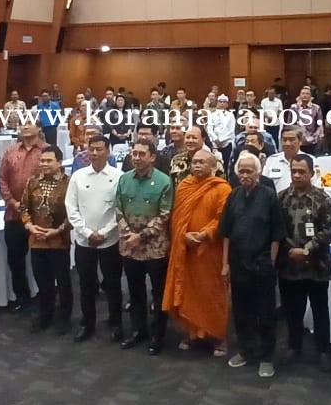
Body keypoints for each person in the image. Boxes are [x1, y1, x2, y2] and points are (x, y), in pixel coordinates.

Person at [220, 152, 285, 378]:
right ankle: (246, 351)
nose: (245, 175)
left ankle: (266, 357)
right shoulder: (233, 195)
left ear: (258, 173)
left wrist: (271, 263)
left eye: (250, 171)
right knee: (241, 312)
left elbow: (277, 234)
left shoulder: (268, 196)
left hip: (262, 265)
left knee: (265, 313)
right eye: (242, 171)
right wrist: (225, 264)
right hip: (238, 265)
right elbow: (226, 232)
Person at [164, 147, 232, 357]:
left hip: (209, 251)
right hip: (187, 251)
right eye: (194, 162)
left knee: (212, 293)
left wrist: (203, 235)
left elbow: (223, 219)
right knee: (188, 291)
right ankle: (192, 332)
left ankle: (218, 337)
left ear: (213, 166)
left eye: (202, 162)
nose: (197, 165)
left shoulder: (222, 189)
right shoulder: (185, 186)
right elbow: (176, 218)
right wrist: (183, 236)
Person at [278, 153, 331, 371]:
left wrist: (307, 249)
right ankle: (294, 346)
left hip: (316, 266)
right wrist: (291, 249)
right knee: (293, 309)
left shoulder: (322, 199)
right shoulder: (282, 198)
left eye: (302, 171)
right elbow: (277, 229)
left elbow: (327, 230)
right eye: (294, 171)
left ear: (312, 173)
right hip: (289, 264)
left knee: (320, 309)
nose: (297, 175)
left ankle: (323, 350)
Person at [116, 138, 174, 353]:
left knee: (158, 294)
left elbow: (164, 215)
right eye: (134, 154)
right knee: (135, 291)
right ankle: (138, 331)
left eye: (141, 154)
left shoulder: (164, 181)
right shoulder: (123, 180)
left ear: (152, 157)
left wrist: (141, 236)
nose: (137, 158)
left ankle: (157, 336)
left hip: (155, 248)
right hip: (129, 246)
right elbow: (118, 209)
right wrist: (129, 234)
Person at [66, 135, 123, 342]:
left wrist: (105, 232)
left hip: (110, 240)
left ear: (108, 152)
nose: (95, 153)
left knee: (113, 284)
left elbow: (121, 209)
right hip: (84, 241)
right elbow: (71, 209)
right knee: (86, 284)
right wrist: (88, 233)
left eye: (100, 149)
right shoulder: (78, 176)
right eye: (92, 149)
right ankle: (87, 323)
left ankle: (116, 323)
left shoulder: (119, 176)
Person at [23, 146, 72, 334]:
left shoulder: (68, 183)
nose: (44, 164)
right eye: (42, 160)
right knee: (43, 281)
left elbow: (73, 213)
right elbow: (24, 208)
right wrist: (30, 226)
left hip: (59, 240)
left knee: (63, 281)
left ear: (59, 162)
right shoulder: (32, 182)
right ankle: (45, 315)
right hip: (36, 240)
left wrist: (56, 231)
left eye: (48, 160)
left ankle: (64, 317)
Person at [0, 122, 44, 312]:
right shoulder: (10, 151)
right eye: (22, 124)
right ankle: (22, 297)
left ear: (38, 129)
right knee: (15, 259)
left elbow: (51, 179)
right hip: (13, 213)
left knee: (41, 259)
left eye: (29, 123)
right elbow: (2, 180)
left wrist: (31, 206)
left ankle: (45, 295)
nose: (25, 127)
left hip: (39, 216)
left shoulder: (47, 151)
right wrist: (12, 202)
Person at [263, 127, 304, 193]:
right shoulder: (271, 161)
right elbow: (264, 186)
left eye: (291, 140)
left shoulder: (311, 161)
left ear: (300, 142)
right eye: (284, 140)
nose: (287, 143)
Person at [207, 94, 237, 171]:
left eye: (224, 102)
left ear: (227, 104)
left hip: (227, 143)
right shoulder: (212, 115)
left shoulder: (231, 115)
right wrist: (216, 139)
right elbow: (209, 129)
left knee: (227, 165)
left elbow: (231, 131)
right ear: (217, 103)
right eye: (220, 102)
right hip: (215, 144)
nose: (222, 104)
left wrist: (222, 140)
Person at [293, 86, 324, 153]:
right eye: (303, 93)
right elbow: (290, 124)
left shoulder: (316, 108)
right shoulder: (294, 107)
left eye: (307, 94)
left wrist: (317, 135)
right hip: (298, 140)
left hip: (312, 140)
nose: (305, 95)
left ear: (310, 96)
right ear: (300, 95)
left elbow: (319, 124)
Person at [259, 86, 284, 151]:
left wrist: (274, 117)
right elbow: (262, 110)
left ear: (275, 94)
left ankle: (276, 151)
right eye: (269, 93)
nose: (271, 95)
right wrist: (268, 117)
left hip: (276, 123)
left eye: (272, 93)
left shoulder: (279, 101)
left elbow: (280, 111)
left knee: (275, 138)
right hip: (266, 124)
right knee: (266, 139)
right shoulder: (264, 101)